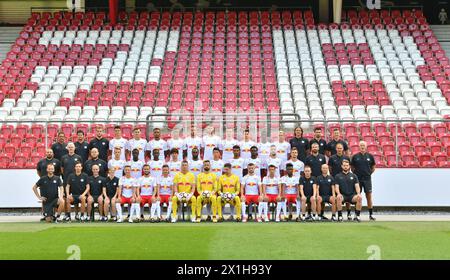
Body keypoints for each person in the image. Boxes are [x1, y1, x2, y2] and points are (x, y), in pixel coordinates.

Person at [351, 141, 376, 220]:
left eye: (363, 145)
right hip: (358, 180)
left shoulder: (370, 156)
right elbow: (352, 168)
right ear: (359, 146)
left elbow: (373, 167)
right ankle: (356, 214)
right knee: (358, 196)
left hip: (367, 179)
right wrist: (356, 175)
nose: (362, 146)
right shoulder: (355, 156)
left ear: (366, 146)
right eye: (361, 145)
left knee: (369, 196)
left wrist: (368, 174)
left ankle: (371, 214)